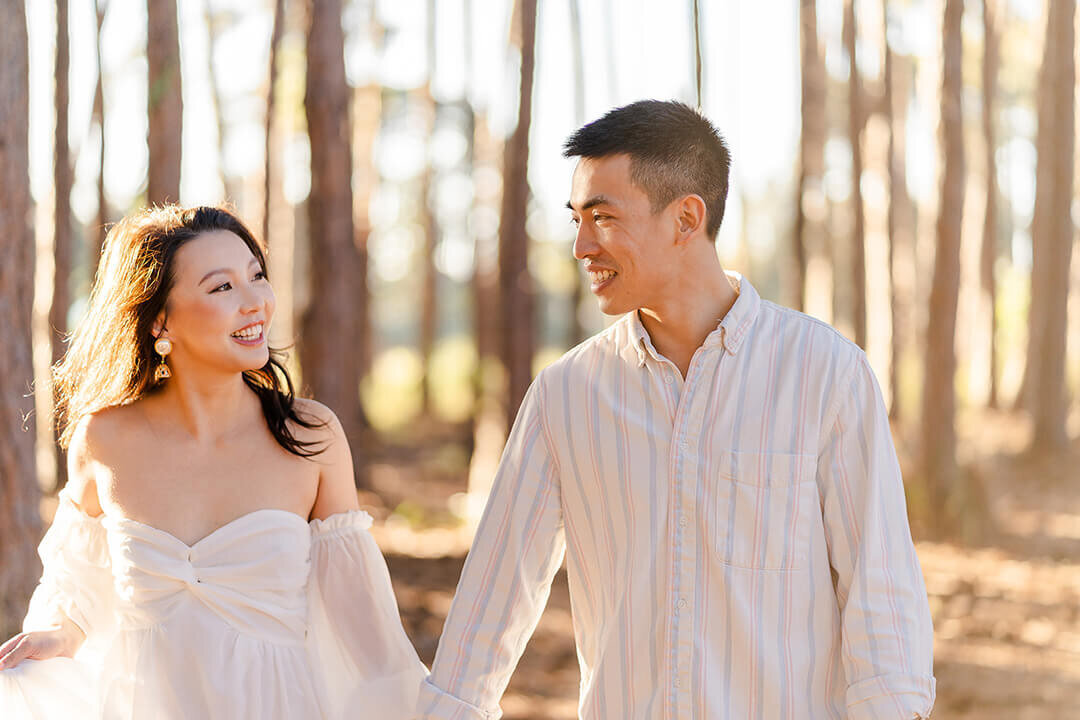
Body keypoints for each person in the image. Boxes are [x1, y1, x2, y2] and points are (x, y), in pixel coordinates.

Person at [417, 100, 935, 719]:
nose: (582, 245)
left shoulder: (825, 375)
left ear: (686, 218)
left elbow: (882, 603)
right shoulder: (565, 397)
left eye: (603, 217)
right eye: (576, 219)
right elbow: (489, 607)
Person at [0, 205, 425, 720]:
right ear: (160, 317)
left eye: (257, 277)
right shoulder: (103, 437)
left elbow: (363, 626)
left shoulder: (310, 437)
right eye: (222, 288)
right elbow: (82, 582)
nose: (255, 304)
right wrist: (60, 634)